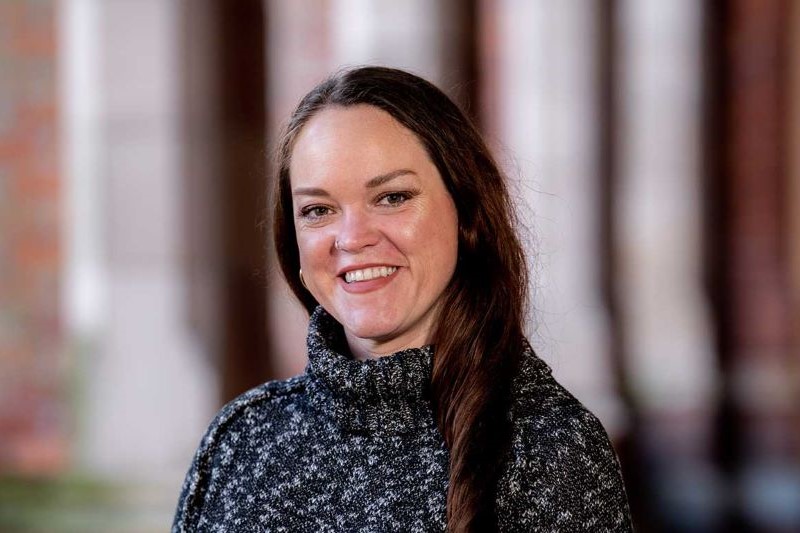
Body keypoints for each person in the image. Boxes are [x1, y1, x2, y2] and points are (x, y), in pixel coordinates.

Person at [172, 66, 633, 532]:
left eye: (392, 197)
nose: (351, 239)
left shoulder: (551, 452)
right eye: (318, 210)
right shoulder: (240, 443)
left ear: (466, 213)